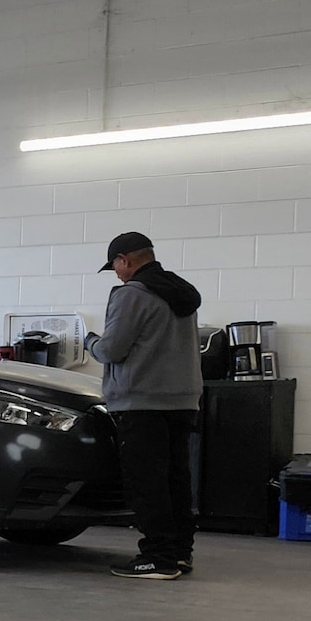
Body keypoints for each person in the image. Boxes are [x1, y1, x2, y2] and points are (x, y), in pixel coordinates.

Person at [87, 231, 204, 579]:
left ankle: (157, 557)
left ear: (126, 260)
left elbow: (111, 350)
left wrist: (90, 340)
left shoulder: (131, 295)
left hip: (141, 402)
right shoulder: (181, 293)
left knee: (147, 482)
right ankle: (180, 552)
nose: (117, 274)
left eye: (116, 267)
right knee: (175, 480)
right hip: (182, 402)